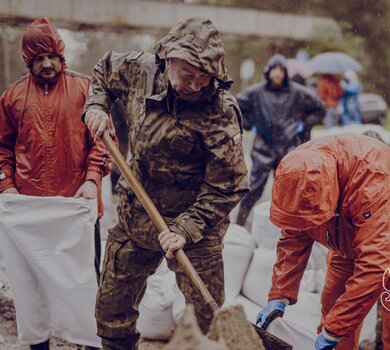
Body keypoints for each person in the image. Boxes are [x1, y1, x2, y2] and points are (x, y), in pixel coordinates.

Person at [83, 17, 248, 350]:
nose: (196, 85)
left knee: (206, 322)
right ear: (167, 59)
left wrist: (185, 228)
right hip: (137, 215)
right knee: (112, 312)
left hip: (196, 227)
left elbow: (229, 185)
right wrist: (97, 106)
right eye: (188, 74)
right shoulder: (140, 71)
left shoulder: (220, 111)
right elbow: (103, 70)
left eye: (205, 77)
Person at [0, 17, 111, 350]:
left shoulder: (86, 89)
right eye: (38, 58)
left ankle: (89, 343)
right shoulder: (12, 97)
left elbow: (105, 141)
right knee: (32, 286)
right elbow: (1, 148)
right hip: (29, 215)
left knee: (84, 282)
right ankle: (39, 345)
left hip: (76, 209)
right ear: (28, 61)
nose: (46, 64)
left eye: (51, 56)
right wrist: (6, 186)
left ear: (62, 56)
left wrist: (92, 180)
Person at [255, 134, 390, 350]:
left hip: (383, 239)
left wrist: (333, 331)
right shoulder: (301, 171)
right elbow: (295, 233)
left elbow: (377, 265)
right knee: (334, 305)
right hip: (347, 238)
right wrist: (279, 294)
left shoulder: (372, 182)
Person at [235, 54, 325, 226]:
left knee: (290, 191)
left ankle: (289, 227)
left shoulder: (297, 93)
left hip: (288, 148)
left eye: (281, 70)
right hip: (263, 147)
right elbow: (235, 106)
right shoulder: (256, 92)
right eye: (274, 70)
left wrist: (303, 125)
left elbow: (319, 108)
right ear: (268, 71)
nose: (277, 74)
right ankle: (239, 224)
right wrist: (248, 123)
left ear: (285, 72)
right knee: (253, 189)